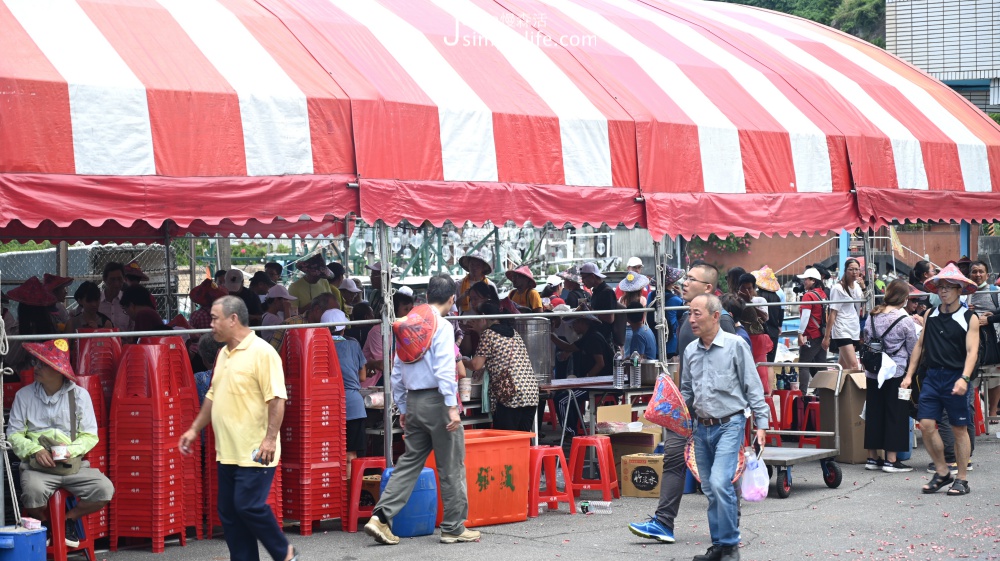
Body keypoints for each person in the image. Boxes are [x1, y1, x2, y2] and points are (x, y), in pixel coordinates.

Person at [178, 296, 298, 561]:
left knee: (249, 505)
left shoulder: (263, 353)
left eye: (215, 318)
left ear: (233, 319)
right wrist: (194, 429)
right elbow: (212, 396)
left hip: (256, 449)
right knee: (230, 513)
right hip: (228, 451)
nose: (211, 325)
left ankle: (284, 551)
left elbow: (277, 399)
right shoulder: (223, 354)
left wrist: (269, 439)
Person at [365, 275, 479, 546]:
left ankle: (380, 517)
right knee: (451, 465)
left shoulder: (408, 323)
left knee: (408, 463)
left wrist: (404, 407)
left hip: (414, 401)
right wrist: (452, 407)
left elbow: (396, 371)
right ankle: (453, 527)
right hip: (438, 402)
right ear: (452, 299)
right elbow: (444, 369)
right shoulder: (442, 325)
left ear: (427, 296)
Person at [629, 262, 737, 546]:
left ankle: (729, 530)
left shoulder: (721, 321)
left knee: (719, 473)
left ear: (708, 289)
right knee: (674, 459)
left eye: (692, 278)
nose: (685, 282)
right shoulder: (687, 318)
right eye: (686, 278)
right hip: (688, 412)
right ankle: (663, 523)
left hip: (715, 415)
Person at [681, 295, 768, 561]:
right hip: (700, 428)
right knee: (710, 487)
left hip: (730, 424)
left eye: (697, 314)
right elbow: (686, 391)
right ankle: (719, 544)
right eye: (690, 314)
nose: (691, 320)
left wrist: (761, 425)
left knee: (720, 482)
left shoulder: (735, 346)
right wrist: (677, 417)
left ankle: (730, 545)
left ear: (715, 316)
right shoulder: (690, 351)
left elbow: (753, 386)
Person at [7, 339, 115, 548]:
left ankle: (68, 520)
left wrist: (70, 450)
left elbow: (90, 435)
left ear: (58, 371)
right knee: (32, 495)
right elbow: (14, 433)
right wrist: (35, 449)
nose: (36, 368)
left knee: (104, 490)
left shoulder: (80, 396)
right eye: (37, 362)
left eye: (43, 364)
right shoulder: (24, 396)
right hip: (37, 466)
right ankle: (47, 523)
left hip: (72, 465)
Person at [901, 264, 979, 497]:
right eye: (940, 287)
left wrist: (965, 378)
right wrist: (908, 376)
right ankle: (943, 471)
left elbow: (972, 351)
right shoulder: (930, 315)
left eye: (948, 287)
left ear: (960, 290)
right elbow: (920, 346)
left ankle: (962, 479)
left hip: (956, 375)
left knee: (958, 428)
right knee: (925, 425)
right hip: (932, 376)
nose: (943, 291)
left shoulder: (969, 317)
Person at [862, 279, 918, 473]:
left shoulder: (872, 316)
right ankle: (891, 460)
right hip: (896, 372)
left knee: (874, 412)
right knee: (895, 413)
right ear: (904, 298)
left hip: (873, 370)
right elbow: (913, 348)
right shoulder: (905, 321)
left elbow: (867, 339)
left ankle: (871, 457)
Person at [463, 301, 539, 432]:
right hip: (530, 392)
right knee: (522, 439)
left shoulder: (488, 334)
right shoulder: (513, 333)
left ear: (483, 317)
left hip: (510, 394)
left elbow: (476, 364)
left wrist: (462, 361)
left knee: (506, 440)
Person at [967, 260, 1000, 424]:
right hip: (971, 341)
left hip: (993, 341)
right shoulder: (964, 294)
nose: (978, 275)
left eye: (981, 271)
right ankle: (974, 412)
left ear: (987, 275)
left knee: (995, 377)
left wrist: (990, 319)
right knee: (971, 377)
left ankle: (992, 410)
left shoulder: (996, 292)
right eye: (974, 271)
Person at [332, 322, 367, 475]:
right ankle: (349, 496)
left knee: (330, 454)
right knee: (350, 454)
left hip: (327, 404)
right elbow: (363, 376)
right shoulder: (353, 345)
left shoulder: (318, 345)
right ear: (344, 328)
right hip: (353, 405)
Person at [823, 258, 863, 370]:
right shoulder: (838, 288)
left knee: (842, 366)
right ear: (845, 270)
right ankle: (852, 388)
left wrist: (864, 286)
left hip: (854, 327)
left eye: (857, 269)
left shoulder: (858, 287)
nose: (854, 272)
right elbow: (833, 313)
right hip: (842, 329)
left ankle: (833, 387)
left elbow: (863, 304)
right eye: (851, 269)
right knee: (854, 365)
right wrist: (827, 337)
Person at [736, 273, 772, 395]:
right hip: (742, 337)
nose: (747, 291)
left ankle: (763, 393)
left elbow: (765, 317)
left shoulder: (760, 300)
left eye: (749, 288)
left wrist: (749, 302)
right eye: (744, 288)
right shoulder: (735, 300)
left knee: (760, 368)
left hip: (757, 338)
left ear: (754, 288)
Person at [364, 292, 414, 376]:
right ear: (394, 311)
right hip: (377, 379)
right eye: (406, 309)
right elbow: (383, 364)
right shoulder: (378, 331)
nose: (409, 313)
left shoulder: (408, 329)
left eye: (411, 309)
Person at [270, 292, 338, 352]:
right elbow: (274, 352)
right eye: (331, 313)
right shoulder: (290, 324)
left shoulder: (330, 328)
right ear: (317, 309)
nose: (334, 317)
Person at [796, 267, 828, 392]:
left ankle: (802, 395)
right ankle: (825, 393)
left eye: (806, 280)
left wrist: (800, 333)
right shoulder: (822, 294)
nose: (804, 282)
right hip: (822, 334)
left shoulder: (808, 295)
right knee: (821, 365)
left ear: (813, 281)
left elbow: (805, 316)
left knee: (803, 365)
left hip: (812, 334)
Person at [647, 266, 685, 359]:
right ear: (672, 283)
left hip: (654, 338)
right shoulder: (676, 300)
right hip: (671, 342)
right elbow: (681, 316)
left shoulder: (650, 296)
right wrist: (681, 295)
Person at [580, 262, 619, 348]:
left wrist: (591, 312)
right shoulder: (596, 292)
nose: (582, 281)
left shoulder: (607, 292)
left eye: (584, 278)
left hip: (604, 339)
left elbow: (610, 318)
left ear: (593, 276)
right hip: (595, 337)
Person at [753, 267, 784, 363]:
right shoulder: (777, 298)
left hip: (760, 332)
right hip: (773, 332)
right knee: (770, 363)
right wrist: (779, 326)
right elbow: (781, 314)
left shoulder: (757, 296)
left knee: (759, 361)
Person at [98, 262, 130, 331]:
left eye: (119, 279)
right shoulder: (95, 301)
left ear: (124, 279)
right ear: (104, 279)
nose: (116, 283)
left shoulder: (129, 301)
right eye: (112, 280)